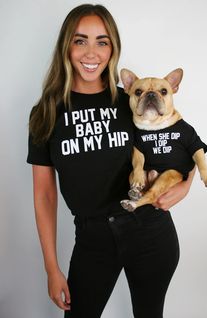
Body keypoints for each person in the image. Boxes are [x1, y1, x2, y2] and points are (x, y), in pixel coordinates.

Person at [27, 4, 195, 318]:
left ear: (112, 48)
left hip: (150, 232)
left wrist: (187, 183)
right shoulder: (47, 112)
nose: (91, 52)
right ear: (67, 46)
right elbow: (45, 195)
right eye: (81, 40)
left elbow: (179, 144)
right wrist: (51, 267)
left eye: (102, 42)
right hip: (93, 240)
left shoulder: (131, 101)